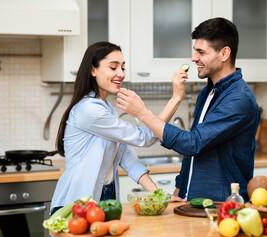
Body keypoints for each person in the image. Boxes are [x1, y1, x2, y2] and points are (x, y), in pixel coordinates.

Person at [116, 17, 260, 202]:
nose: (194, 58)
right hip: (194, 203)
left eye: (201, 52)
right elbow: (193, 152)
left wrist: (142, 112)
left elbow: (193, 143)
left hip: (222, 205)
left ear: (224, 53)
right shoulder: (207, 93)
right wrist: (179, 188)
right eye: (194, 51)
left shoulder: (239, 99)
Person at [50, 41, 186, 215]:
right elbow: (145, 138)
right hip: (77, 203)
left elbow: (127, 158)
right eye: (113, 67)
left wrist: (160, 195)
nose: (121, 74)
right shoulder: (89, 110)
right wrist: (174, 99)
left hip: (106, 198)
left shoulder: (106, 109)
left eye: (122, 68)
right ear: (93, 70)